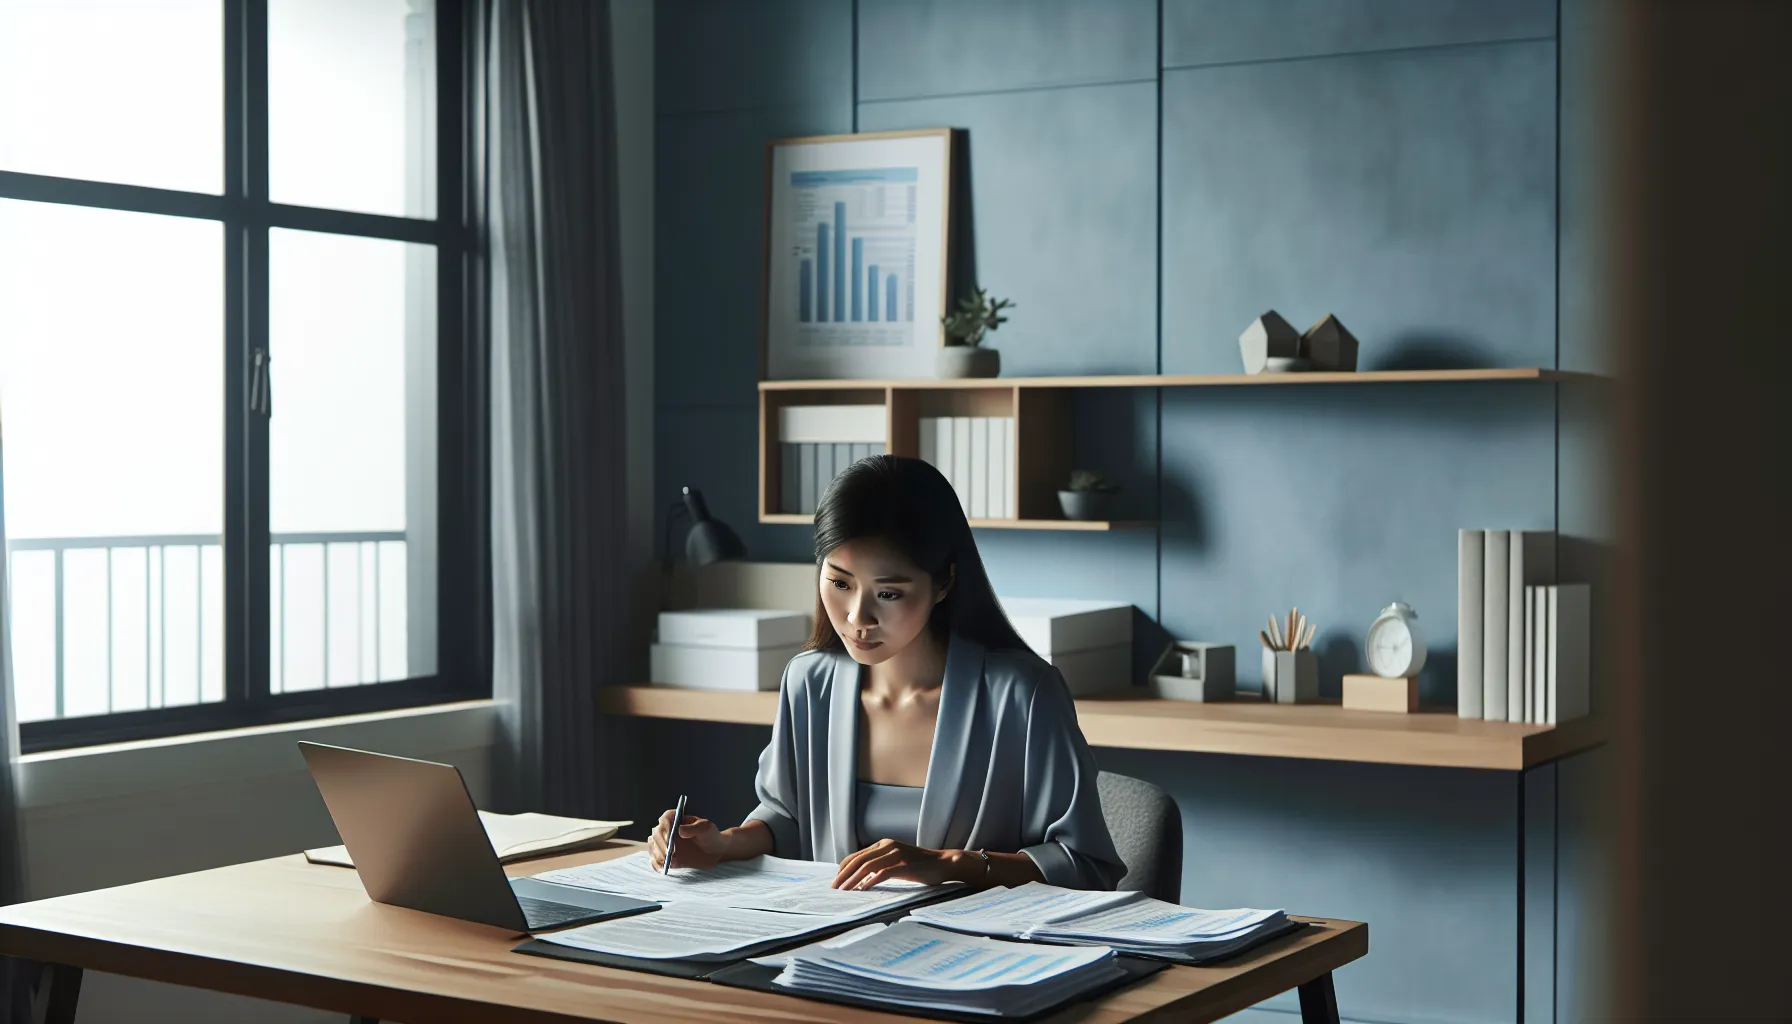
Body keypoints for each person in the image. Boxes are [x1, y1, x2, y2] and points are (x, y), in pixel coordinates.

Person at [649, 455, 1124, 892]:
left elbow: (1086, 865)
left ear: (944, 583)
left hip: (975, 962)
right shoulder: (809, 683)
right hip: (831, 954)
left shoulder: (1022, 694)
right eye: (839, 582)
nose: (858, 617)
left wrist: (951, 864)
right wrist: (723, 844)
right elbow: (788, 820)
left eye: (889, 593)